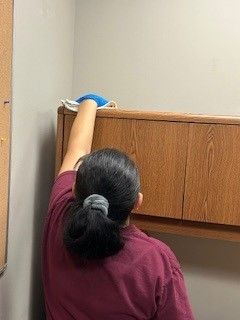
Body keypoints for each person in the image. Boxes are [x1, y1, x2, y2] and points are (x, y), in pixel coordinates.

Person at [42, 95, 194, 320]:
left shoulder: (59, 214)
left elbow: (76, 149)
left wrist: (90, 101)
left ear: (74, 190)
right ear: (137, 202)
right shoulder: (155, 259)